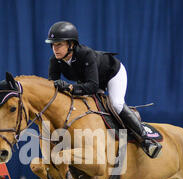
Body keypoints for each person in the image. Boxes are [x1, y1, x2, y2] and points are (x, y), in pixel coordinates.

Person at [46, 21, 161, 159]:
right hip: (90, 80)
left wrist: (70, 87)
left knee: (116, 103)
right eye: (52, 44)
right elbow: (52, 86)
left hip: (113, 73)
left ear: (71, 44)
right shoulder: (55, 61)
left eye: (59, 44)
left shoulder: (85, 54)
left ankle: (146, 139)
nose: (55, 48)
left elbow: (93, 86)